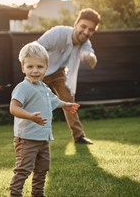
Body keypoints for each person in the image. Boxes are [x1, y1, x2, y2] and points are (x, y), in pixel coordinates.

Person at [9, 42, 80, 197]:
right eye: (30, 67)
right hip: (26, 138)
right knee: (23, 169)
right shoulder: (23, 88)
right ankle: (15, 194)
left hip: (42, 139)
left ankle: (38, 193)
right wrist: (30, 116)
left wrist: (66, 105)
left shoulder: (44, 88)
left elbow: (54, 101)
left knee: (42, 168)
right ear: (23, 68)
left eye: (39, 67)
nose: (35, 71)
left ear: (46, 67)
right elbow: (13, 108)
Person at [37, 8, 101, 145]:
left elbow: (93, 60)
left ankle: (79, 136)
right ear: (76, 23)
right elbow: (35, 48)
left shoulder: (85, 43)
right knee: (34, 103)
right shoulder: (58, 33)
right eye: (83, 27)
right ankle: (31, 136)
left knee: (69, 102)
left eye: (90, 30)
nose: (86, 32)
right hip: (41, 71)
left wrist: (89, 57)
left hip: (59, 73)